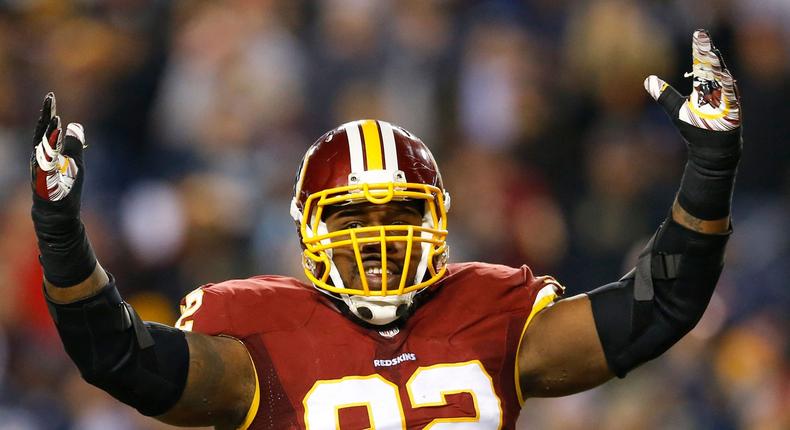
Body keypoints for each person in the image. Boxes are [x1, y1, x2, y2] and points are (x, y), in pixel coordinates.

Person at [30, 30, 741, 429]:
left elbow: (659, 307)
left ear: (436, 218)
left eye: (399, 213)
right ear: (309, 228)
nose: (376, 236)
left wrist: (709, 171)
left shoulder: (493, 313)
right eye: (352, 215)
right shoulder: (256, 333)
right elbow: (115, 355)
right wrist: (61, 237)